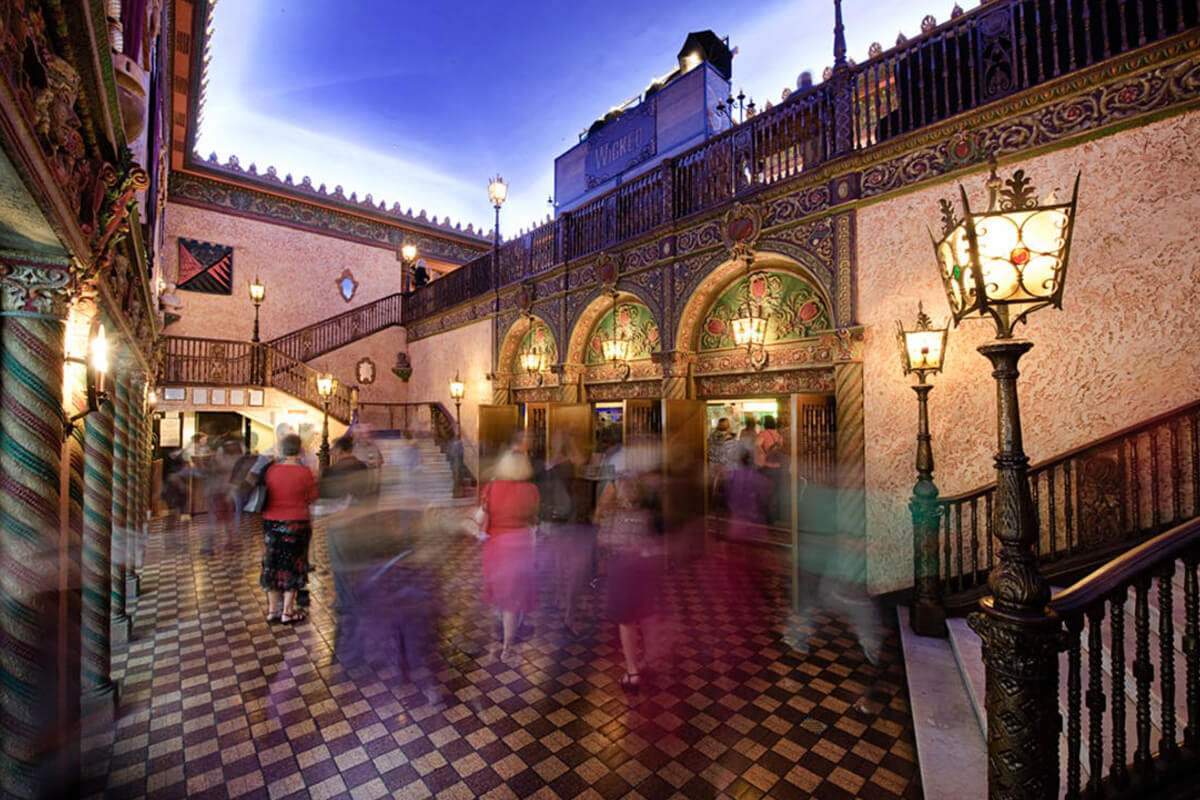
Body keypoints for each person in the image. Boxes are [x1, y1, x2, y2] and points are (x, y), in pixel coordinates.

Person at [595, 440, 663, 696]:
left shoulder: (613, 514)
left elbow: (603, 538)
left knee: (626, 620)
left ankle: (632, 670)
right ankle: (652, 657)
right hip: (645, 567)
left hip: (622, 567)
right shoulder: (647, 513)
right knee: (647, 613)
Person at [480, 448, 540, 662]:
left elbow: (483, 520)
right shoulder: (532, 490)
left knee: (500, 595)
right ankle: (507, 645)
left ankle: (502, 629)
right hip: (521, 546)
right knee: (513, 600)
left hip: (497, 547)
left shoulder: (491, 488)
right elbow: (534, 518)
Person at [260, 434, 317, 624]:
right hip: (296, 522)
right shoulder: (304, 472)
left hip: (271, 522)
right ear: (299, 450)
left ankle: (272, 610)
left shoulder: (271, 470)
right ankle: (287, 611)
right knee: (293, 565)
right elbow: (312, 497)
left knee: (272, 563)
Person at [539, 431, 590, 637]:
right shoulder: (570, 463)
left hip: (555, 522)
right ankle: (569, 614)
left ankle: (560, 600)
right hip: (571, 521)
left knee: (561, 565)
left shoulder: (549, 464)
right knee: (576, 572)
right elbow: (581, 464)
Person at [756, 415, 786, 524]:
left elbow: (756, 445)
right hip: (778, 467)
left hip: (767, 467)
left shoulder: (763, 434)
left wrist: (762, 453)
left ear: (765, 423)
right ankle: (777, 515)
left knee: (766, 492)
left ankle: (767, 518)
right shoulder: (778, 435)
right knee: (776, 492)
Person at [707, 418, 736, 513]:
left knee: (714, 488)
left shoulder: (711, 437)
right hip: (725, 468)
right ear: (728, 426)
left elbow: (708, 450)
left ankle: (713, 507)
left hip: (713, 466)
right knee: (727, 489)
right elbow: (732, 454)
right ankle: (725, 508)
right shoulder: (729, 439)